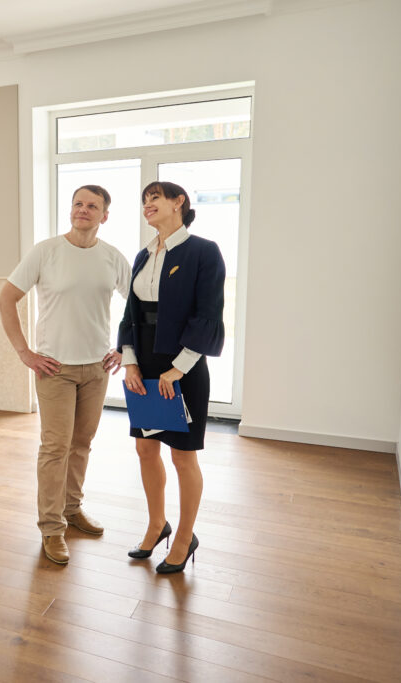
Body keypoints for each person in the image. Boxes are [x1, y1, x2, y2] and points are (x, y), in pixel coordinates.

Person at [0, 185, 131, 565]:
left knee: (82, 443)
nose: (83, 210)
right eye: (78, 204)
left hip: (97, 369)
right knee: (55, 447)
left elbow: (137, 304)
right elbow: (5, 298)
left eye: (92, 206)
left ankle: (72, 509)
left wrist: (123, 348)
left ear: (104, 216)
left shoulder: (112, 258)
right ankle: (51, 528)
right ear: (70, 210)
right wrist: (25, 352)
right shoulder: (47, 251)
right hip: (55, 369)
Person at [118, 181, 225, 574]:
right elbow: (131, 313)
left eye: (155, 198)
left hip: (183, 366)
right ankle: (155, 524)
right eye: (144, 199)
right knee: (145, 449)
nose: (148, 204)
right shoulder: (143, 254)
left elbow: (208, 314)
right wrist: (129, 360)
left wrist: (179, 367)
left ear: (179, 202)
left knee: (183, 455)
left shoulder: (203, 251)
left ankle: (184, 535)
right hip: (143, 366)